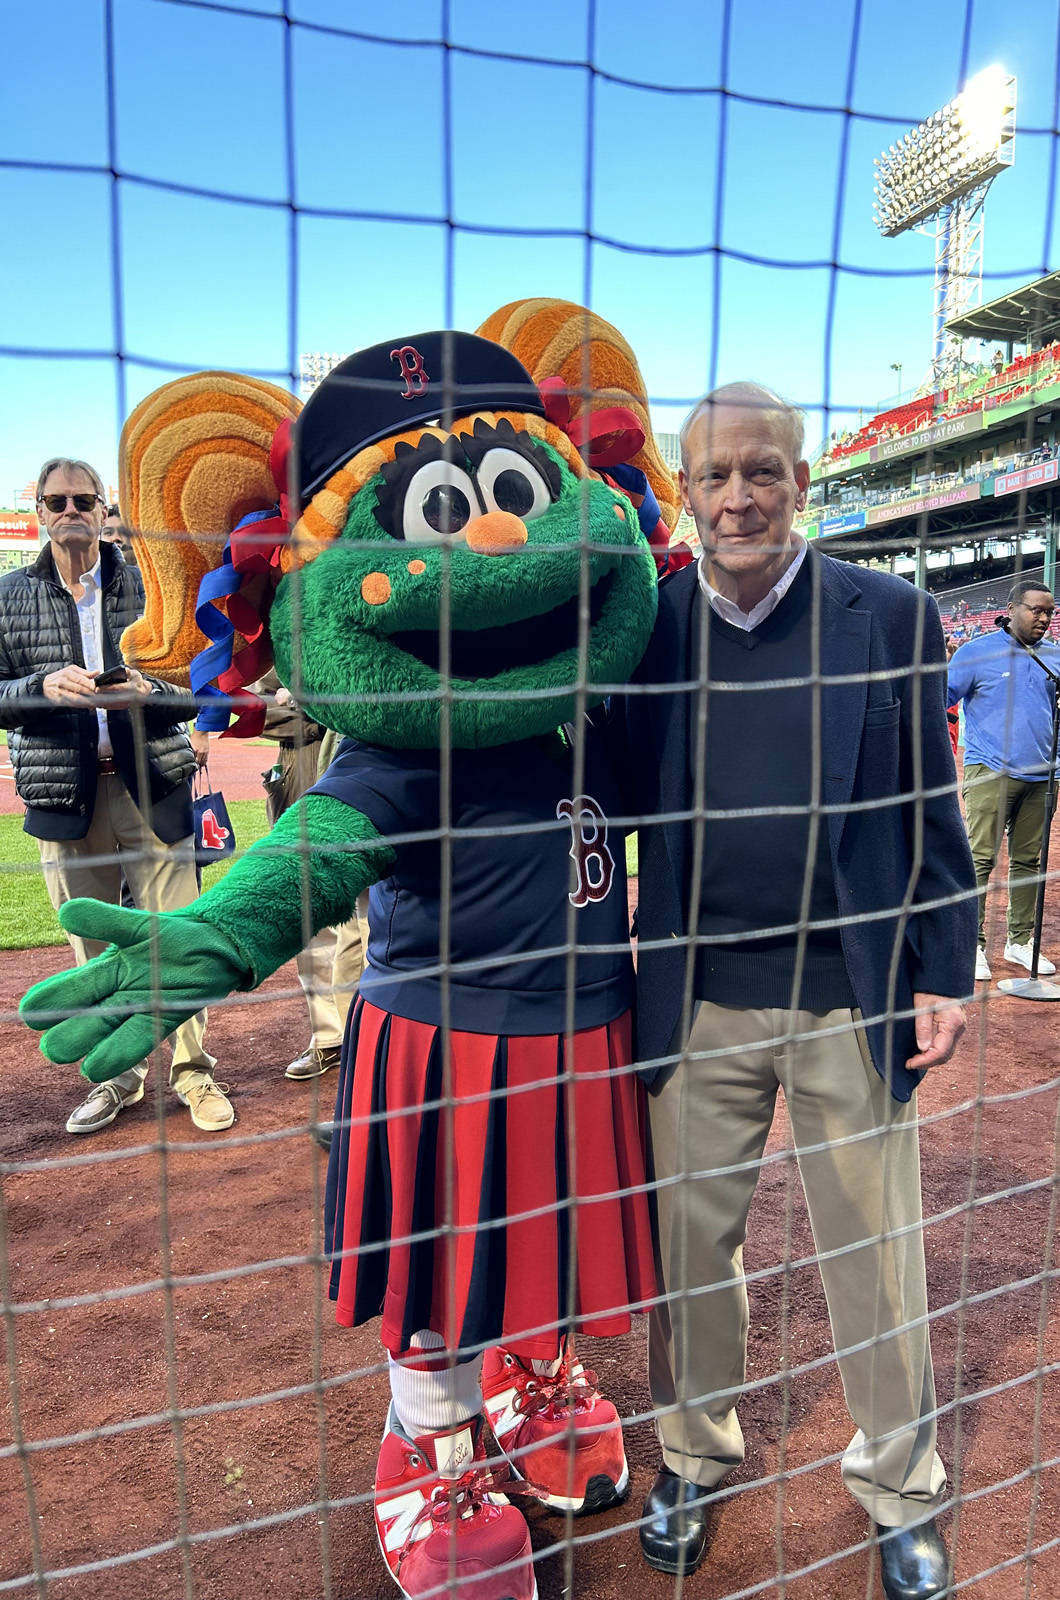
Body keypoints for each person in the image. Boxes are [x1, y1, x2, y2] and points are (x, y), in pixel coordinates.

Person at [626, 383, 977, 1600]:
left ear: (800, 480)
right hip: (695, 993)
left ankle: (899, 1484)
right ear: (682, 492)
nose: (738, 496)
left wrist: (945, 970)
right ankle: (691, 1455)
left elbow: (929, 811)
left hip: (848, 992)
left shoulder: (891, 613)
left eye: (762, 470)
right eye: (714, 476)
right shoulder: (648, 623)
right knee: (687, 1248)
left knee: (876, 1257)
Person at [0, 457, 231, 1134]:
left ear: (105, 512)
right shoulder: (10, 595)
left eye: (84, 500)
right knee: (95, 946)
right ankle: (118, 1078)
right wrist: (35, 689)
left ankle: (195, 1074)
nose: (71, 511)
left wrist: (149, 693)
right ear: (39, 511)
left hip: (153, 786)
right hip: (65, 799)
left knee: (181, 938)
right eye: (57, 501)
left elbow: (200, 688)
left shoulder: (156, 588)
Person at [254, 670, 367, 1080]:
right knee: (313, 925)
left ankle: (367, 1036)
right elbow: (254, 710)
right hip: (299, 784)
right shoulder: (282, 643)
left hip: (360, 785)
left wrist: (302, 702)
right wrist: (322, 708)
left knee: (367, 922)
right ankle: (328, 1040)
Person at [947, 581, 1060, 981]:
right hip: (989, 770)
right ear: (1011, 609)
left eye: (1049, 612)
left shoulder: (1054, 657)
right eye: (1035, 610)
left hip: (1044, 775)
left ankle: (1020, 940)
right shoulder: (976, 652)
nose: (1044, 618)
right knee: (979, 859)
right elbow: (939, 700)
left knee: (1030, 861)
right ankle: (970, 945)